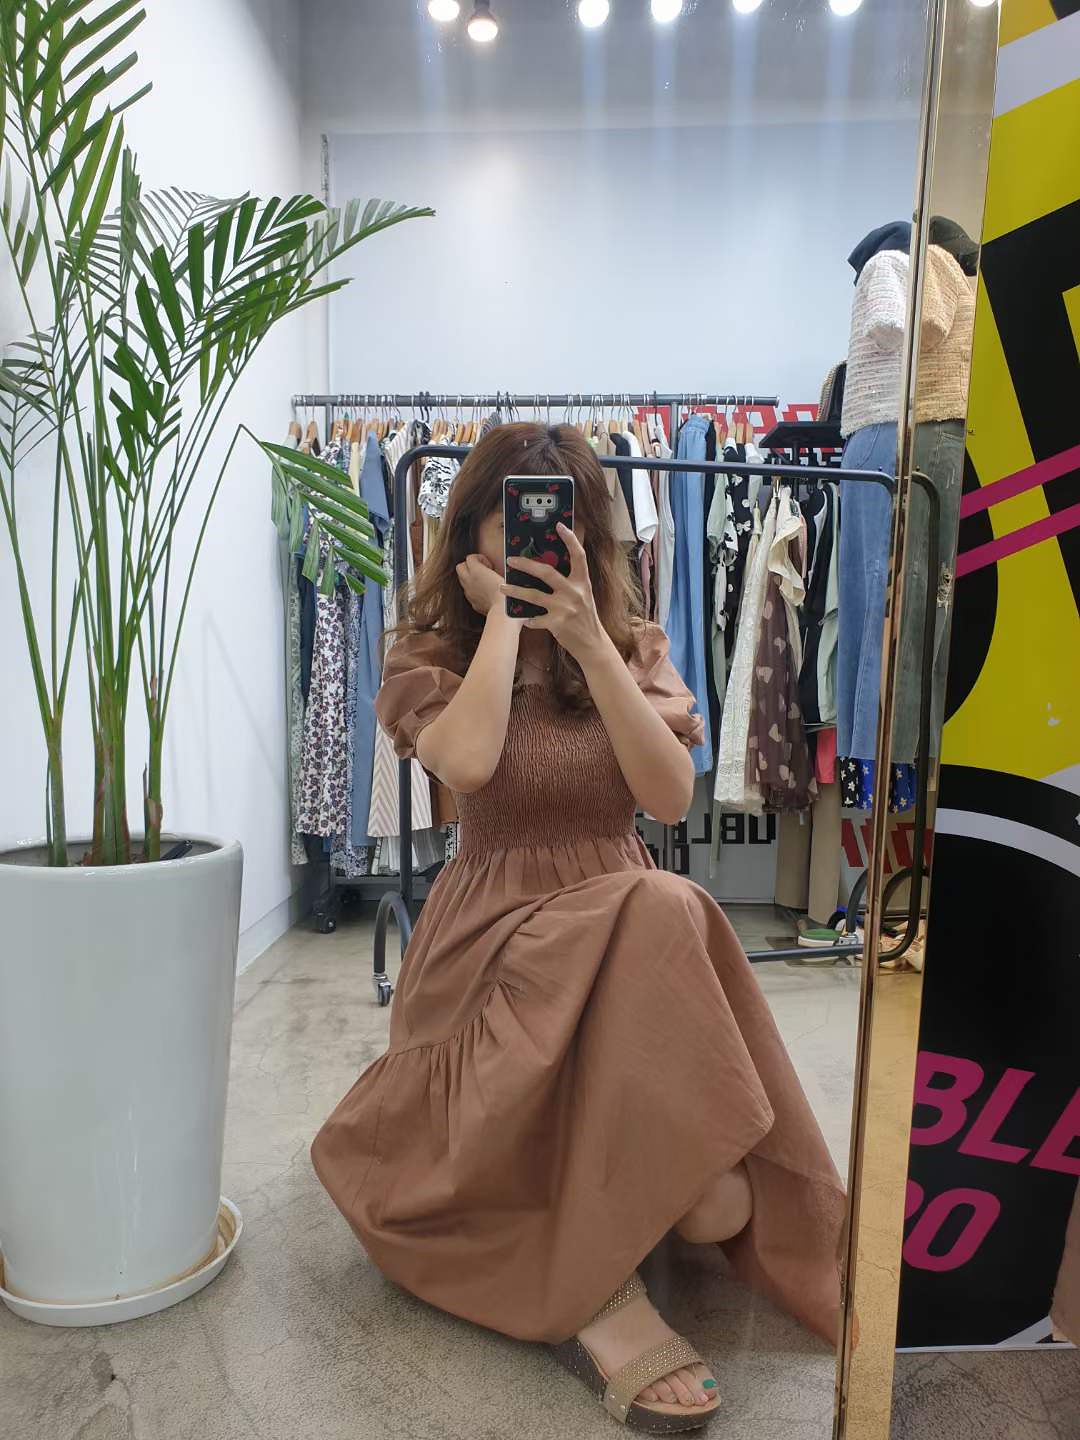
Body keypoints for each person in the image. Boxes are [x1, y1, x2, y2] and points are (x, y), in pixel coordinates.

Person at [311, 423, 846, 1433]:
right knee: (665, 911)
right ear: (469, 533)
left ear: (591, 535)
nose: (537, 538)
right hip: (493, 937)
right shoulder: (430, 650)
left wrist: (593, 643)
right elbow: (467, 766)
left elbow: (669, 798)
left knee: (662, 926)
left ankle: (605, 1205)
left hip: (625, 927)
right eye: (511, 518)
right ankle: (598, 1287)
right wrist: (505, 627)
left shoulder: (631, 646)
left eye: (558, 520)